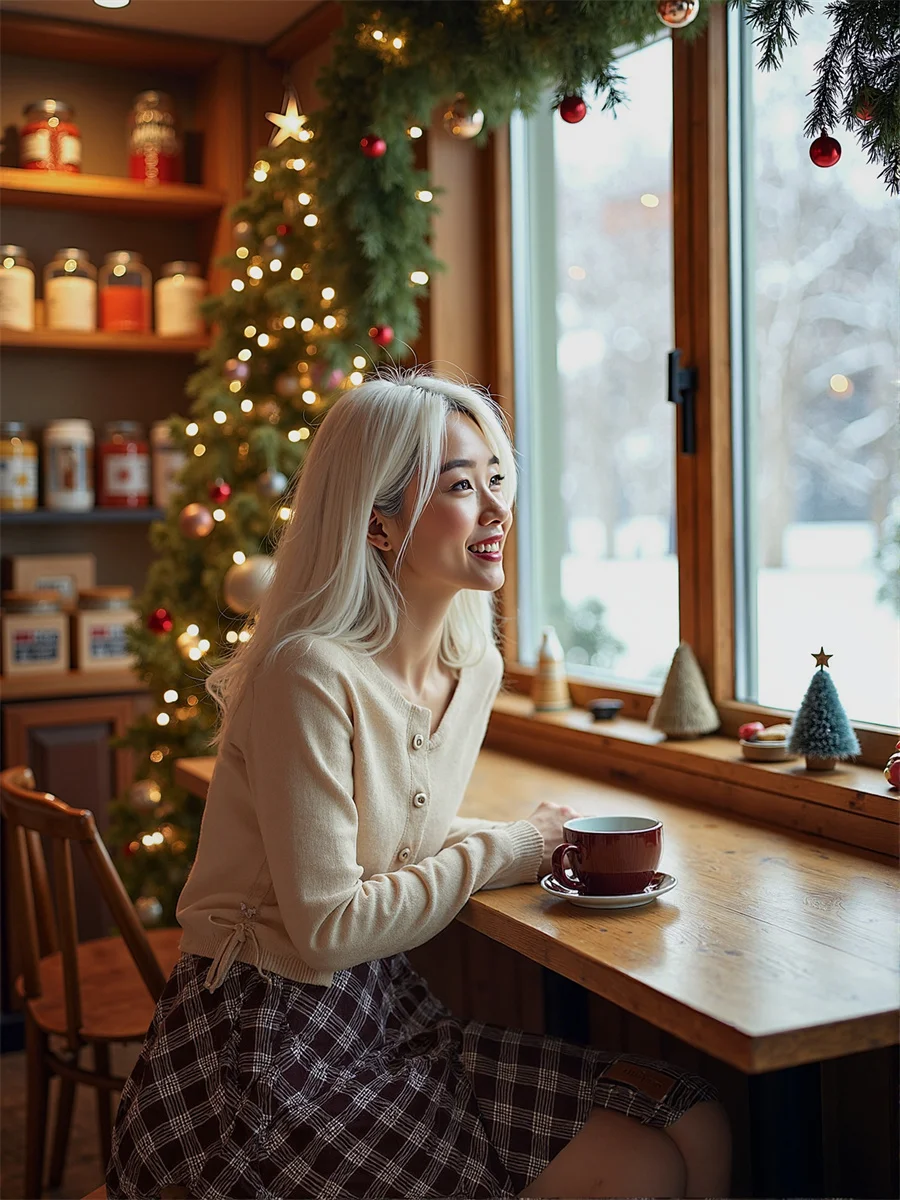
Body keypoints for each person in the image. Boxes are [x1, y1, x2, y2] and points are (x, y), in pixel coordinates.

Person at [107, 367, 731, 1199]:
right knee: (644, 1166)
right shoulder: (309, 674)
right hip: (261, 1042)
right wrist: (512, 845)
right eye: (460, 486)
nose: (497, 510)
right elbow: (328, 928)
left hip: (383, 1009)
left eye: (496, 481)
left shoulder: (473, 668)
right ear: (378, 523)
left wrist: (512, 843)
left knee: (693, 1118)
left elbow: (406, 842)